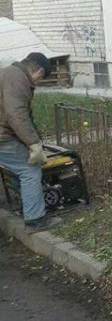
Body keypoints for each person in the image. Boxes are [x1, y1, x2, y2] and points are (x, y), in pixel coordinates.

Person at [0, 52, 56, 232]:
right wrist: (33, 144)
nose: (38, 83)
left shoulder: (10, 73)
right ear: (39, 71)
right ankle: (35, 219)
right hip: (2, 137)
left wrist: (37, 140)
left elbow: (26, 116)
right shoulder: (17, 78)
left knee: (17, 165)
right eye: (41, 78)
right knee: (29, 170)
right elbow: (17, 114)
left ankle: (23, 202)